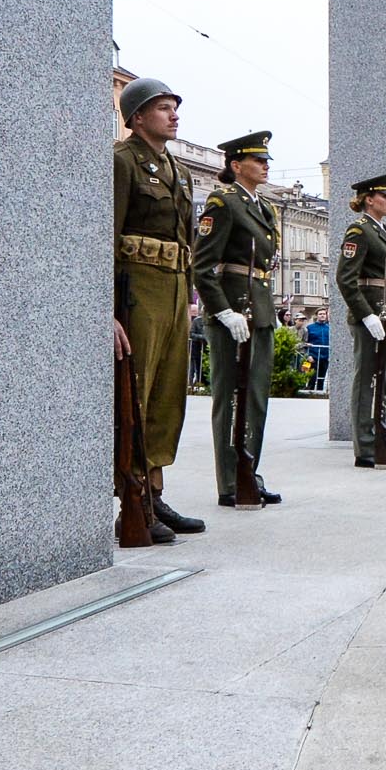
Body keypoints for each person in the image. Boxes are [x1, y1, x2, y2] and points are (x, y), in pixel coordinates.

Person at [112, 76, 201, 542]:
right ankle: (132, 494)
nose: (173, 114)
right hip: (136, 289)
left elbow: (186, 239)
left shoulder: (179, 171)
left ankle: (156, 492)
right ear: (137, 117)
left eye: (174, 107)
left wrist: (190, 297)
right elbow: (105, 238)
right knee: (136, 393)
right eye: (163, 107)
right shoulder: (122, 162)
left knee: (168, 395)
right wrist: (105, 310)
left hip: (173, 289)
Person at [196, 134, 284, 506]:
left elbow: (263, 266)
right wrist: (223, 310)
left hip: (258, 310)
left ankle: (250, 471)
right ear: (236, 165)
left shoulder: (263, 206)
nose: (266, 165)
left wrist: (270, 309)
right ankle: (230, 481)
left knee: (256, 398)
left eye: (267, 160)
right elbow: (202, 266)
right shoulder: (224, 203)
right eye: (258, 160)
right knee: (229, 398)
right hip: (233, 309)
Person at [336, 173, 386, 467]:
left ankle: (377, 441)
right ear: (368, 199)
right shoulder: (359, 230)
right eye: (384, 196)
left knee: (382, 381)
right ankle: (364, 447)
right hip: (371, 314)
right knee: (366, 382)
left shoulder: (383, 231)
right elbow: (346, 279)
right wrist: (366, 315)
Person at [304, 307, 330, 393]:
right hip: (313, 357)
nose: (322, 316)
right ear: (316, 316)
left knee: (321, 379)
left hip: (325, 357)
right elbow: (305, 342)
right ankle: (309, 394)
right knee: (312, 377)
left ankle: (320, 395)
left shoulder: (329, 328)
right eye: (320, 314)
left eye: (324, 314)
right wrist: (308, 355)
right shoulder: (310, 328)